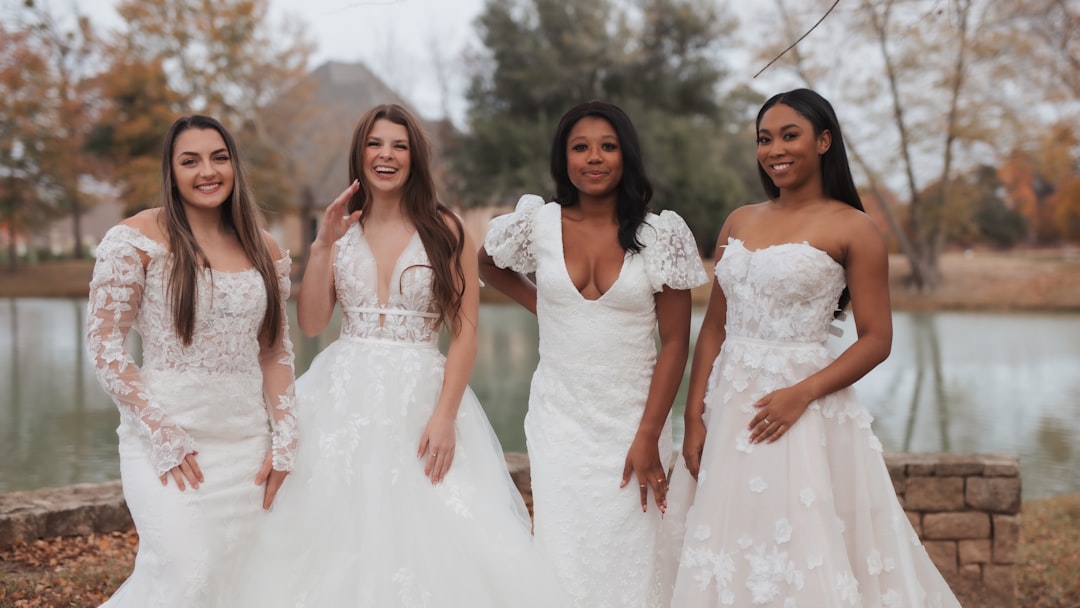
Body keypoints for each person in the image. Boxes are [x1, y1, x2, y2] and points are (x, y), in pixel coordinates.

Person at [236, 103, 566, 607]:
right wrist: (322, 245)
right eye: (375, 144)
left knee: (434, 522)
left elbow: (466, 334)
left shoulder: (447, 229)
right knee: (332, 524)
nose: (385, 155)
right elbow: (312, 323)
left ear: (414, 158)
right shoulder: (341, 230)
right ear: (360, 154)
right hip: (343, 394)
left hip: (421, 398)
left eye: (399, 146)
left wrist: (445, 416)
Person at [663, 88, 962, 606]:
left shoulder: (855, 228)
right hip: (728, 406)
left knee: (799, 541)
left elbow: (877, 340)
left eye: (789, 135)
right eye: (764, 139)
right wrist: (693, 416)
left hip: (804, 408)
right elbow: (713, 327)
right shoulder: (739, 219)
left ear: (823, 141)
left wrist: (800, 394)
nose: (774, 149)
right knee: (729, 542)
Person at [479, 100, 709, 608]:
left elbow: (676, 343)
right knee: (564, 551)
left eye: (608, 146)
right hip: (559, 418)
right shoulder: (538, 223)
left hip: (634, 420)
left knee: (633, 552)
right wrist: (545, 308)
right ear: (563, 158)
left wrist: (648, 434)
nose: (594, 157)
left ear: (627, 155)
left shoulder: (659, 235)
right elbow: (488, 264)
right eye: (580, 147)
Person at [86, 114, 297, 607]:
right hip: (169, 443)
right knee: (187, 572)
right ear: (171, 170)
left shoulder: (263, 247)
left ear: (234, 165)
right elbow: (105, 346)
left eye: (219, 158)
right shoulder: (136, 239)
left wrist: (286, 436)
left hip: (245, 444)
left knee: (241, 582)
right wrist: (161, 433)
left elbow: (274, 351)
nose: (208, 171)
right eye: (191, 161)